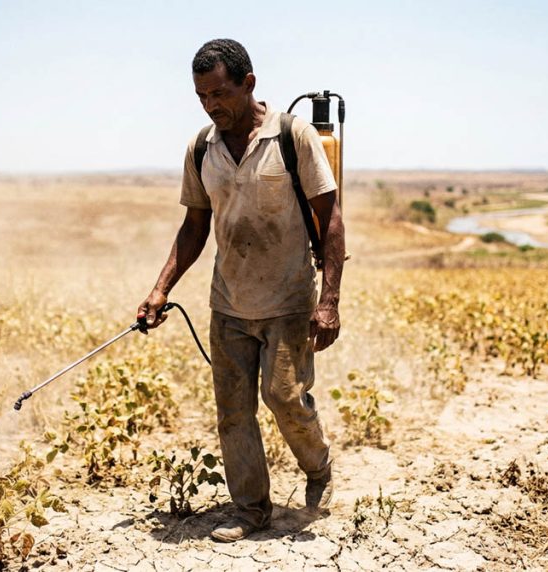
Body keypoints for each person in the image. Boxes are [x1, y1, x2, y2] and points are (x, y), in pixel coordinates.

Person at [137, 38, 345, 543]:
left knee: (285, 399)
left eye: (218, 93)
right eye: (201, 96)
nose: (211, 104)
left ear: (248, 84)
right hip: (227, 303)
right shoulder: (201, 147)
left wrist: (329, 302)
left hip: (289, 299)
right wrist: (160, 289)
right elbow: (194, 227)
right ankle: (251, 509)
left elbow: (331, 220)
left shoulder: (292, 137)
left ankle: (318, 466)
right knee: (233, 411)